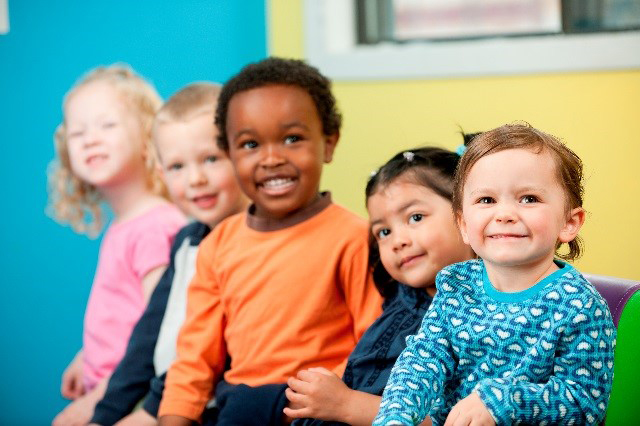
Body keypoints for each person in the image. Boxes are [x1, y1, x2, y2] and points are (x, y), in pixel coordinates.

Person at [157, 57, 383, 426]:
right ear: (229, 154)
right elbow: (194, 359)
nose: (272, 158)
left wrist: (330, 392)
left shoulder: (355, 237)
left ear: (328, 143)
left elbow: (375, 340)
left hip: (319, 408)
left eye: (292, 139)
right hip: (241, 408)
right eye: (250, 145)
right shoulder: (219, 245)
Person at [374, 123, 616, 426]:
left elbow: (584, 404)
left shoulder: (579, 305)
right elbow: (423, 360)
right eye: (486, 200)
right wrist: (396, 416)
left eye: (528, 198)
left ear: (569, 222)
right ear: (463, 224)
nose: (504, 214)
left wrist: (503, 401)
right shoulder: (456, 286)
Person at [88, 83, 248, 426]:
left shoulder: (252, 242)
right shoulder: (186, 241)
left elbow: (219, 349)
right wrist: (104, 415)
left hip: (217, 408)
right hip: (173, 403)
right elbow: (149, 334)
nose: (196, 179)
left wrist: (150, 411)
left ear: (241, 153)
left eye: (211, 159)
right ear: (161, 173)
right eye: (177, 167)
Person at [284, 145, 475, 426]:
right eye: (384, 232)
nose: (398, 240)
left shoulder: (480, 316)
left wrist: (347, 404)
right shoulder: (400, 299)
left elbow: (453, 418)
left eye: (416, 217)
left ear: (466, 215)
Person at [49, 65, 187, 425]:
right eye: (77, 132)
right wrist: (87, 356)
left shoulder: (156, 226)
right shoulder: (127, 224)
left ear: (146, 136)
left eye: (107, 125)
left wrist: (98, 399)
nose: (90, 139)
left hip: (134, 396)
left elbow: (161, 331)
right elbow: (124, 315)